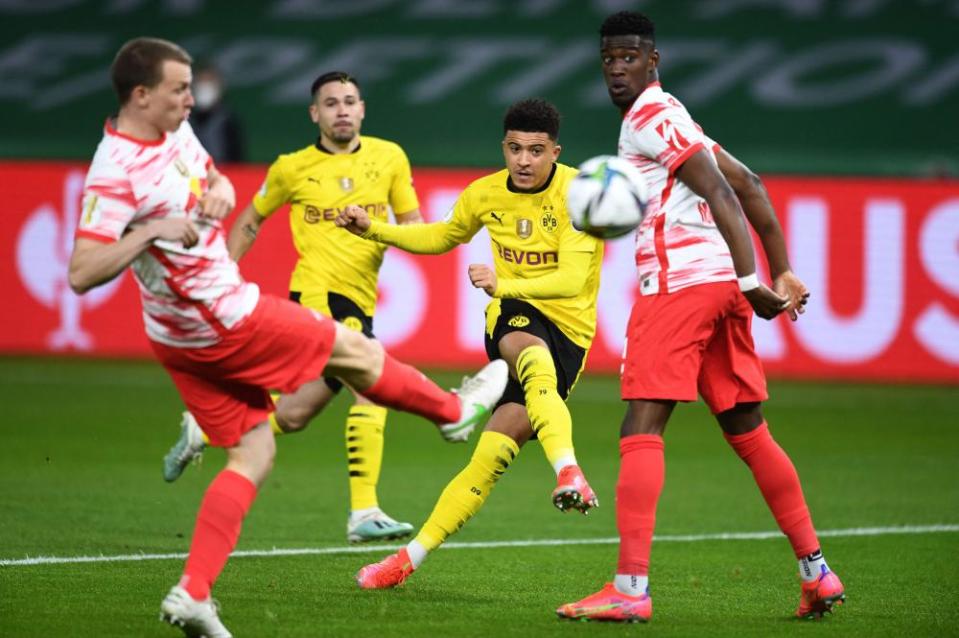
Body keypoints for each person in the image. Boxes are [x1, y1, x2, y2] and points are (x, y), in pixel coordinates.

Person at [68, 37, 508, 638]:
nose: (192, 99)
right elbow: (82, 271)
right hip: (220, 317)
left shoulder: (176, 134)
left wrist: (217, 192)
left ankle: (194, 593)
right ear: (141, 95)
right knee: (359, 354)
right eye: (178, 89)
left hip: (178, 335)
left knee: (261, 447)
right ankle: (451, 416)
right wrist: (150, 234)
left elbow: (214, 188)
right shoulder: (113, 171)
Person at [556, 11, 844, 623]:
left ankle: (630, 590)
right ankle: (817, 573)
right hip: (718, 287)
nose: (616, 68)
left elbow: (719, 190)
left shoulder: (651, 116)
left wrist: (755, 280)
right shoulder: (676, 114)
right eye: (608, 58)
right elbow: (750, 182)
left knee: (640, 427)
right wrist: (783, 269)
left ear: (652, 60)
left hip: (682, 288)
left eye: (629, 57)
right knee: (748, 430)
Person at [334, 98, 603, 589]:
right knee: (532, 357)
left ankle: (404, 562)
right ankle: (569, 472)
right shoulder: (485, 193)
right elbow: (441, 236)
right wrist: (374, 229)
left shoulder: (579, 194)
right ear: (504, 147)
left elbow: (570, 278)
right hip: (515, 317)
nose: (523, 160)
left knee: (489, 459)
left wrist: (505, 282)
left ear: (555, 152)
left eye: (536, 151)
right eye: (515, 149)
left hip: (571, 331)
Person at [163, 71, 427, 544]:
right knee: (372, 383)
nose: (342, 110)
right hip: (319, 294)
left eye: (349, 101)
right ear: (315, 114)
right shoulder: (292, 167)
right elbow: (250, 220)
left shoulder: (390, 158)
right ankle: (363, 510)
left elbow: (415, 227)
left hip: (361, 296)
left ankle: (203, 430)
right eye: (331, 103)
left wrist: (379, 229)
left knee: (292, 416)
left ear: (363, 109)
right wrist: (216, 276)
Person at [188, 63, 245, 164]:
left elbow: (238, 160)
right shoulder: (181, 119)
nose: (204, 88)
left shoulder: (228, 120)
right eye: (201, 82)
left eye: (209, 82)